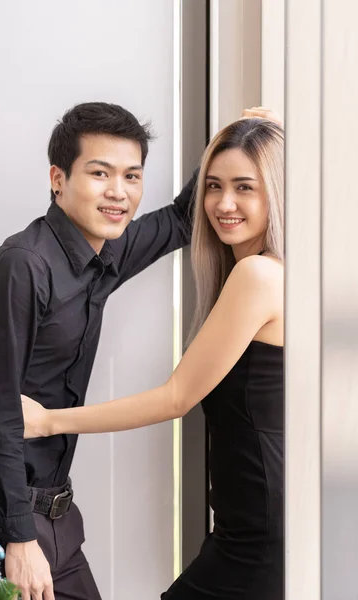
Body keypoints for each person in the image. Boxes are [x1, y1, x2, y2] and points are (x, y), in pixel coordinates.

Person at [21, 116, 284, 599]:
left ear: (278, 193)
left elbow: (176, 397)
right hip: (251, 520)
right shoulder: (277, 273)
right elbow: (181, 218)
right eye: (214, 186)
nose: (223, 204)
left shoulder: (259, 277)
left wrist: (47, 421)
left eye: (244, 187)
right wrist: (234, 130)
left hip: (259, 530)